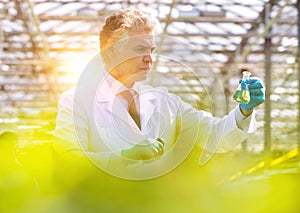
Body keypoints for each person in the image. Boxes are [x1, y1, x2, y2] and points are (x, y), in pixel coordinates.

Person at [52, 8, 265, 180]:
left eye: (151, 50)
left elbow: (215, 136)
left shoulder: (166, 102)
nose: (149, 59)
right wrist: (121, 158)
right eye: (139, 49)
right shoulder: (76, 100)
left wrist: (245, 110)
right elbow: (68, 159)